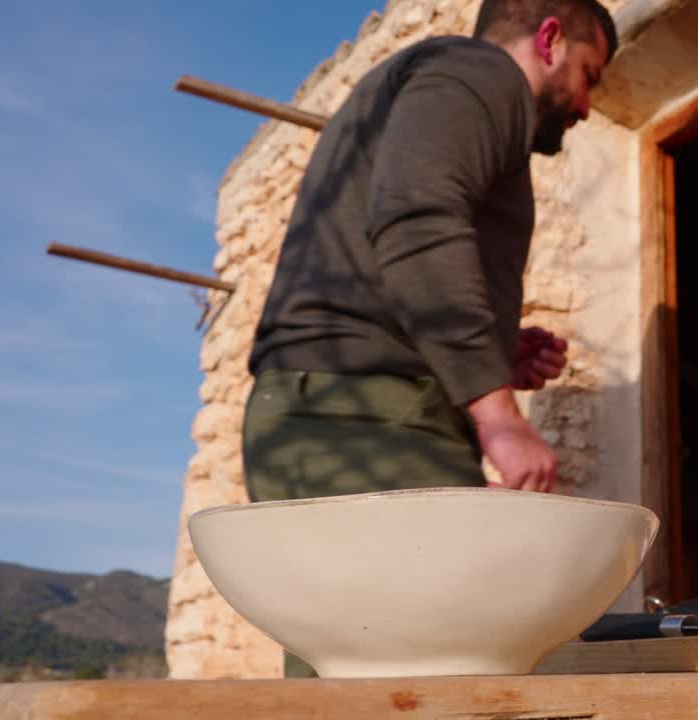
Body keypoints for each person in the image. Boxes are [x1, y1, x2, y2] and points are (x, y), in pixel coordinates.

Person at [241, 0, 617, 511]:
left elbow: (392, 245)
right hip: (368, 414)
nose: (586, 106)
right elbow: (418, 219)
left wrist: (490, 349)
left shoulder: (445, 87)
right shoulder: (482, 72)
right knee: (461, 589)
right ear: (549, 40)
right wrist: (498, 413)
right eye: (588, 76)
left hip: (337, 411)